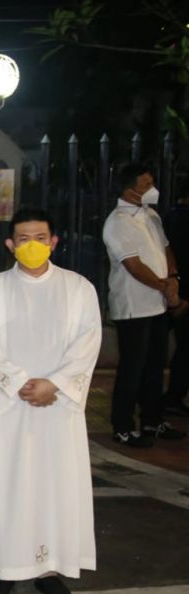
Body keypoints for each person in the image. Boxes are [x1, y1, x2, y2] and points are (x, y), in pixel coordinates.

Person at [0, 208, 102, 594]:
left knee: (53, 487)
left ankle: (48, 570)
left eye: (40, 238)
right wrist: (20, 383)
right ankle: (4, 567)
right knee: (6, 485)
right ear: (10, 245)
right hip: (9, 406)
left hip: (57, 407)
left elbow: (87, 343)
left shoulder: (79, 289)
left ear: (53, 242)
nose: (32, 246)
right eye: (23, 239)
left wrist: (54, 384)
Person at [102, 163, 185, 447]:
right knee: (132, 369)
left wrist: (173, 278)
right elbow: (133, 265)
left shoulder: (151, 215)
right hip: (133, 307)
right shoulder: (117, 222)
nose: (152, 189)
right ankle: (123, 426)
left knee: (154, 367)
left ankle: (152, 420)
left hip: (158, 305)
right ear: (129, 190)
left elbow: (165, 248)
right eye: (145, 185)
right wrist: (164, 286)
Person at [162, 179, 189, 416]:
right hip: (180, 295)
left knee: (156, 350)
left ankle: (150, 397)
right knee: (185, 351)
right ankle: (173, 396)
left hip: (164, 291)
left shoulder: (166, 217)